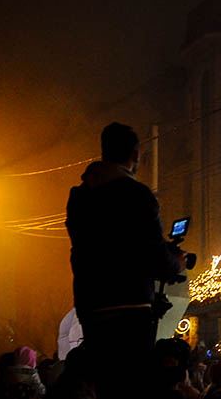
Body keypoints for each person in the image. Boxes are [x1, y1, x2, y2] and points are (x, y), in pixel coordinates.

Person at [66, 122, 185, 398]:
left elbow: (101, 243)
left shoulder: (79, 196)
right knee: (132, 385)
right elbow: (153, 255)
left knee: (106, 384)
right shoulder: (137, 194)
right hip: (130, 306)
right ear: (135, 154)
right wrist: (175, 261)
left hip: (92, 304)